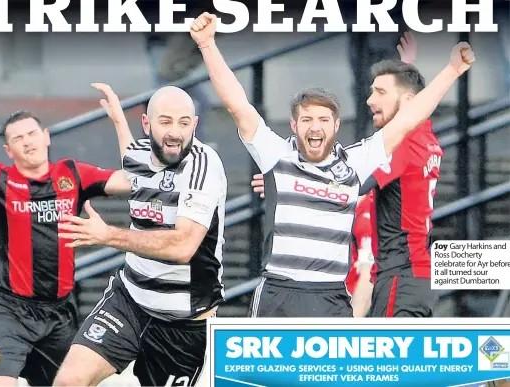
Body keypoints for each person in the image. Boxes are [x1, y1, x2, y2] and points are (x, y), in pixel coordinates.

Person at [190, 11, 475, 317]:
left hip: (332, 297)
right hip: (279, 294)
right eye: (307, 119)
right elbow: (237, 105)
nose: (315, 127)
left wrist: (452, 70)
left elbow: (407, 119)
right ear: (293, 125)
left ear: (337, 125)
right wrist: (207, 45)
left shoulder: (355, 163)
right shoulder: (276, 155)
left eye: (323, 119)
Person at [0, 81, 134, 387]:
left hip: (59, 312)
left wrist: (119, 121)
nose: (27, 142)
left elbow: (134, 180)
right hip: (9, 310)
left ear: (46, 137)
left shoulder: (73, 174)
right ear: (8, 150)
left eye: (32, 133)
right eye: (18, 138)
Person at [52, 86, 227, 387]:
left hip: (183, 323)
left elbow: (184, 245)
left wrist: (107, 235)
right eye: (165, 122)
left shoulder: (203, 166)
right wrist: (120, 120)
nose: (175, 132)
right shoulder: (140, 153)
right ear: (146, 125)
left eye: (184, 123)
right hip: (129, 303)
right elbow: (134, 164)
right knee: (69, 381)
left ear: (195, 125)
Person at [362, 58, 444, 318]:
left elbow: (353, 182)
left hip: (400, 276)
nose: (370, 100)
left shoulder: (402, 144)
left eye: (381, 92)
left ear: (409, 100)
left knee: (387, 360)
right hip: (415, 278)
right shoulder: (426, 138)